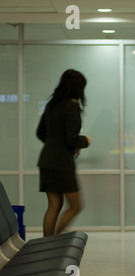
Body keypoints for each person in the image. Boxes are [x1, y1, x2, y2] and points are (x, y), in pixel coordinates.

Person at [36, 69, 91, 237]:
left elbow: (41, 132)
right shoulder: (72, 107)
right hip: (61, 164)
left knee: (54, 206)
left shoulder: (52, 105)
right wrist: (86, 141)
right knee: (76, 205)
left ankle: (47, 244)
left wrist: (56, 145)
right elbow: (72, 139)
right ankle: (56, 242)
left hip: (46, 161)